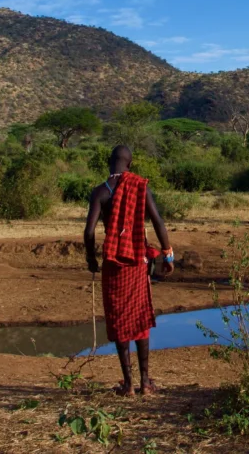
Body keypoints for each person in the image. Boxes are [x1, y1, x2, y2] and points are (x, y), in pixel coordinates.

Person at [84, 145, 175, 396]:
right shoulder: (140, 186)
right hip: (137, 263)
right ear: (130, 165)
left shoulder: (100, 192)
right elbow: (157, 221)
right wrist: (168, 254)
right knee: (139, 319)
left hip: (113, 264)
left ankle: (128, 384)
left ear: (108, 162)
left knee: (120, 320)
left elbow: (89, 232)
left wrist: (92, 260)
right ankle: (145, 382)